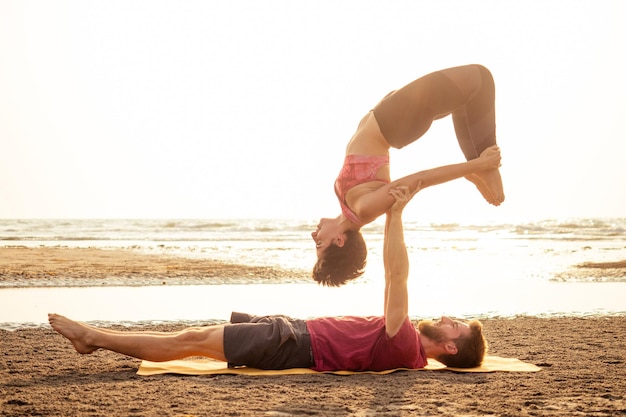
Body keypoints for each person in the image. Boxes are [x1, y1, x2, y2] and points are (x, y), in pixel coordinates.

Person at [49, 187, 488, 371]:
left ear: (449, 347)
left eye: (457, 326)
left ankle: (93, 338)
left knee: (190, 339)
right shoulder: (406, 339)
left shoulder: (406, 345)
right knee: (196, 338)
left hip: (293, 343)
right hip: (293, 331)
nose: (450, 318)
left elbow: (396, 275)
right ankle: (97, 337)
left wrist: (396, 214)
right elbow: (394, 279)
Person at [312, 64, 503, 287]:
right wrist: (478, 163)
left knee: (467, 95)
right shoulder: (365, 208)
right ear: (339, 240)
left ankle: (479, 166)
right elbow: (420, 179)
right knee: (480, 78)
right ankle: (485, 167)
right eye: (319, 245)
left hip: (389, 115)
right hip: (395, 121)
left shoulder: (350, 208)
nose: (314, 237)